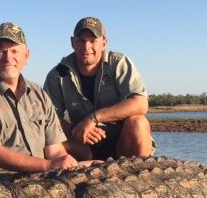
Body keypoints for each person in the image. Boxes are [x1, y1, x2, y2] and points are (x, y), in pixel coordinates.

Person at [0, 22, 80, 176]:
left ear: (26, 56)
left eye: (15, 51)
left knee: (97, 167)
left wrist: (66, 164)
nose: (8, 58)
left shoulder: (38, 93)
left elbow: (55, 150)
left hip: (42, 177)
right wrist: (49, 165)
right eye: (1, 51)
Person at [44, 16, 155, 161]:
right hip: (83, 144)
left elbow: (141, 104)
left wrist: (94, 118)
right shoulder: (57, 75)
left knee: (138, 122)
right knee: (47, 139)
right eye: (81, 41)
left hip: (122, 143)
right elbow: (48, 119)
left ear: (104, 43)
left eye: (93, 40)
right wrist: (74, 130)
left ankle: (142, 171)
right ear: (72, 42)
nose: (86, 47)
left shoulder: (119, 63)